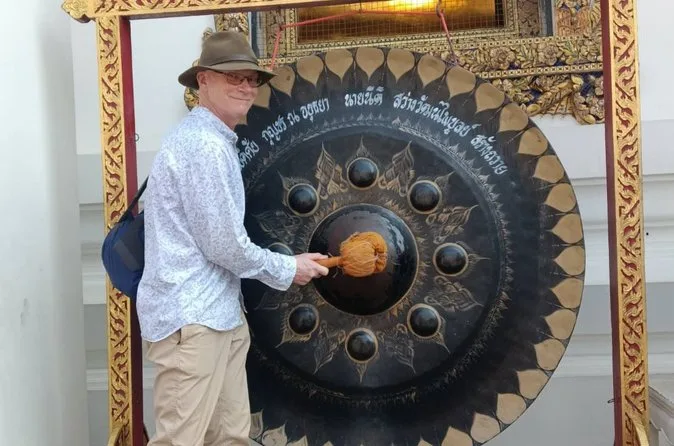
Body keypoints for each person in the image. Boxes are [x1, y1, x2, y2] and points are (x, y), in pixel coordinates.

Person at [136, 31, 329, 446]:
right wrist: (287, 267)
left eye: (251, 79)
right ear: (203, 80)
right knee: (180, 441)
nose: (245, 86)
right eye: (233, 77)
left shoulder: (214, 141)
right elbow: (223, 245)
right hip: (193, 320)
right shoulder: (203, 145)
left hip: (219, 313)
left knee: (229, 438)